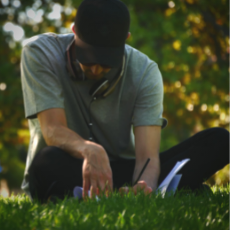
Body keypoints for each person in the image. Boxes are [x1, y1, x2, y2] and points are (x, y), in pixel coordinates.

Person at [20, 0, 229, 203]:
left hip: (123, 173)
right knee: (47, 161)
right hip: (70, 168)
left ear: (126, 39)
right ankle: (179, 187)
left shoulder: (145, 72)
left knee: (219, 140)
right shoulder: (40, 52)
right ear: (74, 31)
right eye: (87, 57)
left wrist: (144, 186)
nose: (95, 70)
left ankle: (118, 195)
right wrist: (89, 149)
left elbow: (147, 157)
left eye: (105, 61)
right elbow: (53, 130)